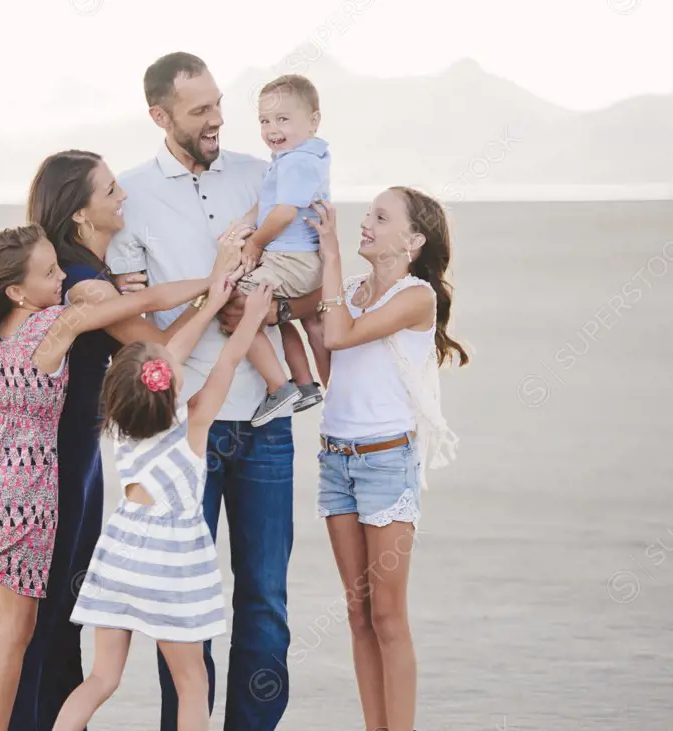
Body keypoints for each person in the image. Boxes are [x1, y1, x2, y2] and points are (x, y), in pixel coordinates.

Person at [0, 223, 241, 731]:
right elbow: (150, 306)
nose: (62, 276)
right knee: (14, 635)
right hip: (23, 490)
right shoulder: (54, 325)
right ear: (16, 290)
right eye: (49, 271)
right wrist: (211, 282)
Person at [0, 149, 249, 731]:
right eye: (110, 191)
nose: (123, 196)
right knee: (46, 611)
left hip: (77, 455)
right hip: (59, 460)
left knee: (56, 615)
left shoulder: (89, 275)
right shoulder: (84, 282)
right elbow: (158, 355)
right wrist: (215, 293)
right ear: (81, 215)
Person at [105, 51, 320, 731]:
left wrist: (267, 313)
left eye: (219, 104)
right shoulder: (129, 197)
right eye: (200, 110)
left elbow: (308, 285)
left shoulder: (268, 178)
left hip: (264, 426)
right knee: (182, 609)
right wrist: (211, 300)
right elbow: (130, 325)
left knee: (265, 604)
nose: (218, 120)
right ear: (159, 115)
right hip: (179, 436)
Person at [52, 283, 274, 731]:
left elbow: (167, 356)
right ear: (172, 389)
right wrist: (250, 317)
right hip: (170, 562)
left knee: (101, 678)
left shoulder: (122, 430)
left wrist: (209, 302)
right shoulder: (193, 421)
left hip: (120, 553)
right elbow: (227, 362)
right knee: (192, 683)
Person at [307, 189, 468, 731]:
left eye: (381, 217)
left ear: (414, 241)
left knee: (387, 617)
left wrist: (328, 255)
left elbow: (338, 333)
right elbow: (337, 375)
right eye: (368, 214)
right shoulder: (350, 291)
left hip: (385, 465)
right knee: (357, 616)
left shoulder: (416, 296)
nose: (366, 223)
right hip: (336, 461)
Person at [232, 73, 331, 426]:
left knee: (238, 302)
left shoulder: (297, 161)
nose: (272, 128)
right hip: (298, 259)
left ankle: (278, 386)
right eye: (265, 120)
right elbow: (267, 204)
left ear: (313, 120)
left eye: (283, 119)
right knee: (282, 317)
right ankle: (305, 384)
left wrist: (256, 242)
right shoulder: (295, 157)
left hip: (293, 259)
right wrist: (241, 228)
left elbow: (285, 211)